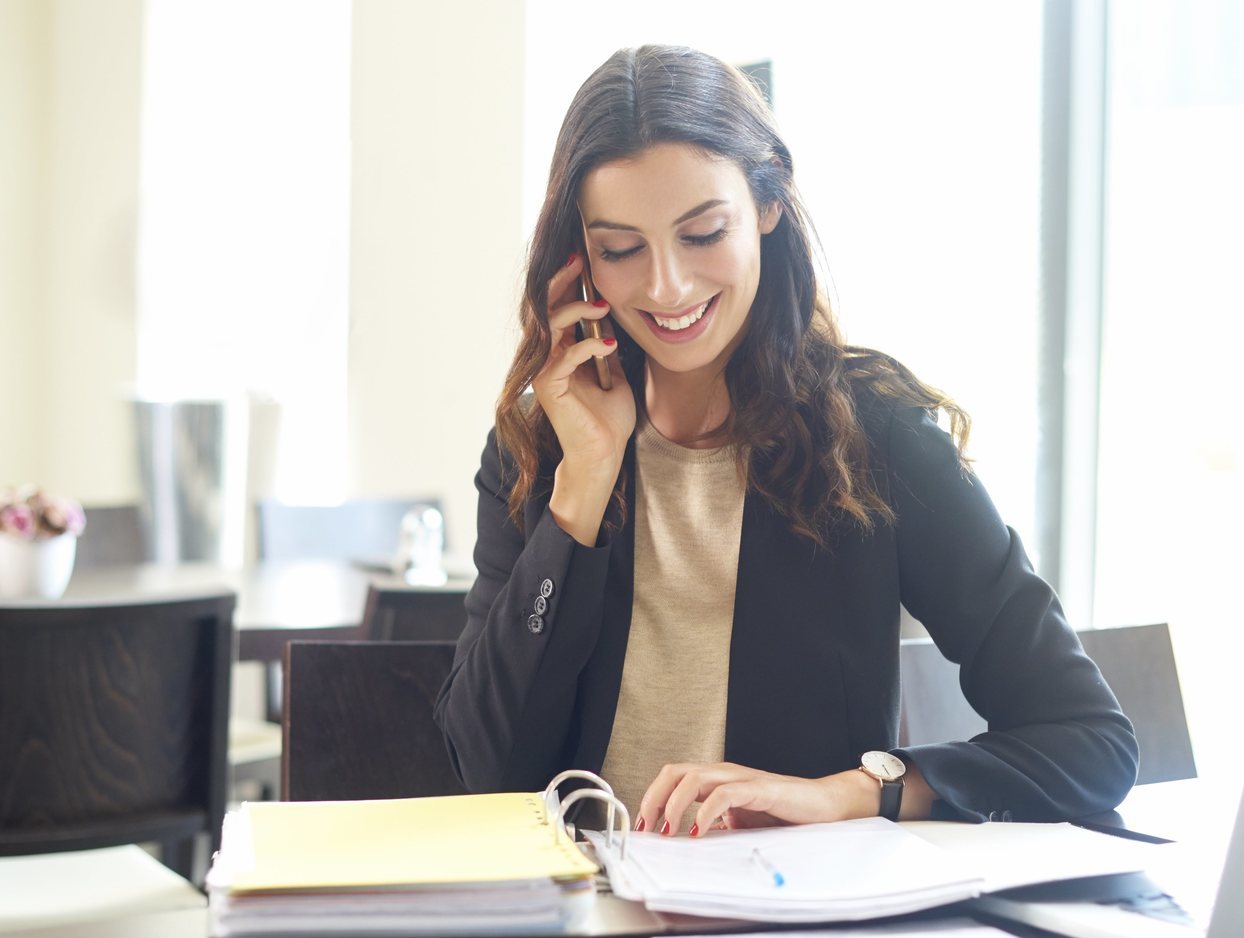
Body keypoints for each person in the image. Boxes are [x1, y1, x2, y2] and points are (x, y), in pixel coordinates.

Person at [432, 44, 1138, 838]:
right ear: (581, 262)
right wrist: (583, 486)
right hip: (582, 911)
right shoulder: (543, 449)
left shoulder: (875, 439)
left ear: (768, 202)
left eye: (702, 233)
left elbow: (1089, 741)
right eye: (621, 249)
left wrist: (856, 791)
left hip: (790, 910)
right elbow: (487, 774)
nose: (666, 286)